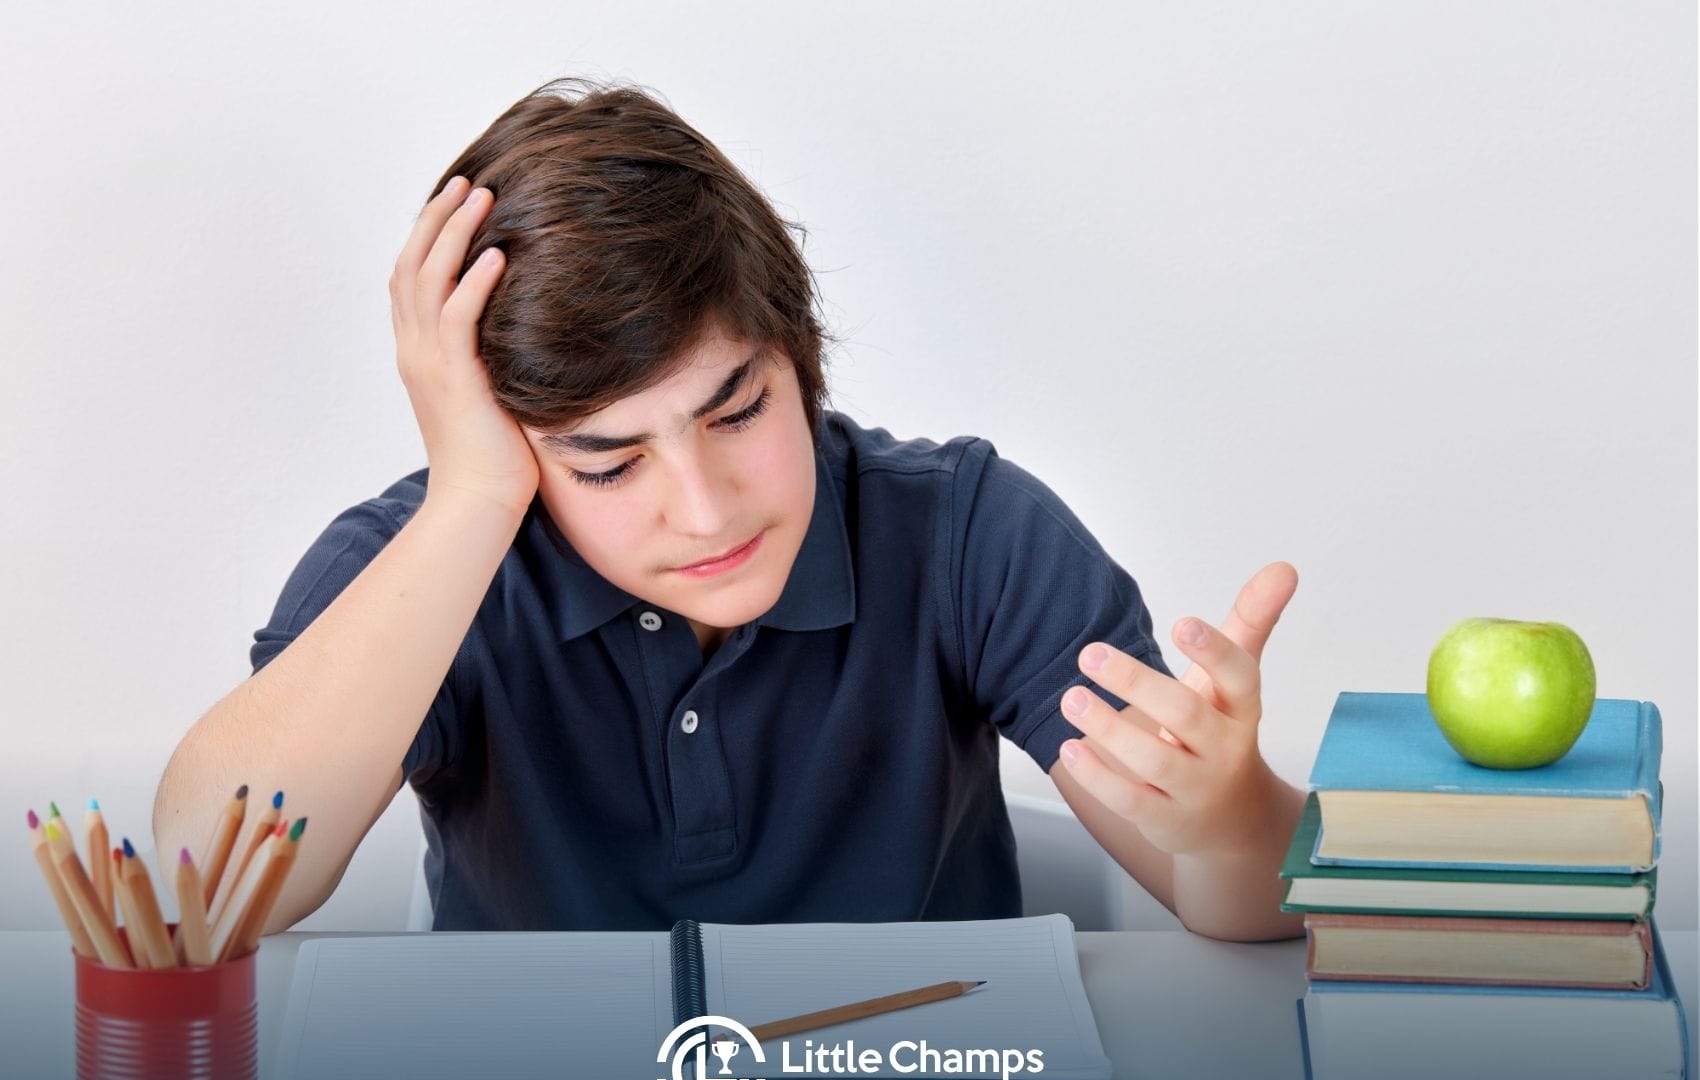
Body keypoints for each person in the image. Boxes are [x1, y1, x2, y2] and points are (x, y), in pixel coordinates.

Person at [152, 76, 1307, 940]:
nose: (703, 512)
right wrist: (472, 497)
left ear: (798, 358)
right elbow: (207, 884)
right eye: (607, 464)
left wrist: (1227, 815)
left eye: (738, 409)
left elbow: (1240, 909)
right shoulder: (423, 565)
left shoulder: (967, 533)